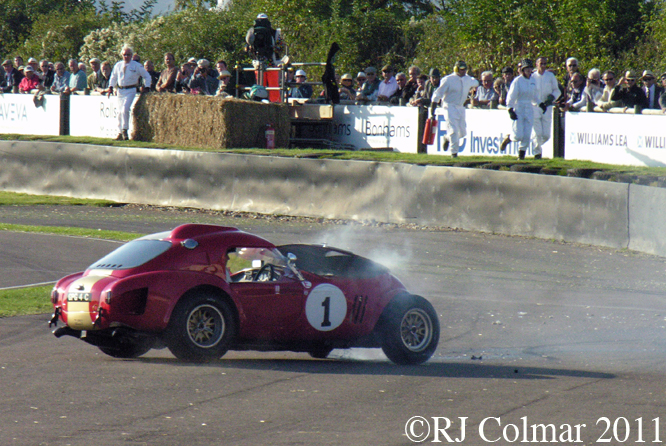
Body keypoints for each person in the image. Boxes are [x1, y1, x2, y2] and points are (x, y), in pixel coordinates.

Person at [430, 61, 479, 157]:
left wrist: (473, 84)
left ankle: (447, 138)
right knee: (453, 131)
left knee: (462, 132)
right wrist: (432, 112)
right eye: (461, 69)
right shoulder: (448, 80)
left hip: (461, 107)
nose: (463, 71)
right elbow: (436, 95)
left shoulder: (467, 79)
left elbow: (476, 83)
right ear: (456, 69)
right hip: (449, 106)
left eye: (465, 69)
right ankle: (454, 153)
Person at [108, 46, 151, 141]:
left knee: (125, 109)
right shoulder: (118, 65)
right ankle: (120, 133)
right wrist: (110, 87)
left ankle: (125, 130)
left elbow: (147, 76)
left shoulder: (136, 65)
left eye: (128, 55)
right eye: (124, 55)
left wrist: (147, 86)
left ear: (131, 55)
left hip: (130, 89)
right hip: (120, 90)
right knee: (119, 112)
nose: (126, 56)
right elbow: (113, 77)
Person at [500, 58, 537, 160]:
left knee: (527, 135)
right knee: (518, 135)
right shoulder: (517, 81)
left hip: (529, 108)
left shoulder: (533, 81)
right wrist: (510, 109)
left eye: (530, 68)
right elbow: (511, 96)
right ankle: (508, 138)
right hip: (519, 107)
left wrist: (540, 103)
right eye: (526, 69)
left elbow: (534, 96)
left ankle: (521, 156)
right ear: (523, 70)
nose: (529, 70)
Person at [526, 57, 560, 158]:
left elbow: (557, 90)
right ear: (537, 64)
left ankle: (535, 145)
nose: (543, 66)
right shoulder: (532, 77)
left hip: (547, 107)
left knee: (546, 135)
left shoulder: (550, 76)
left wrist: (552, 97)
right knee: (538, 132)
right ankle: (537, 154)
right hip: (535, 107)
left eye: (545, 64)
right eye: (541, 64)